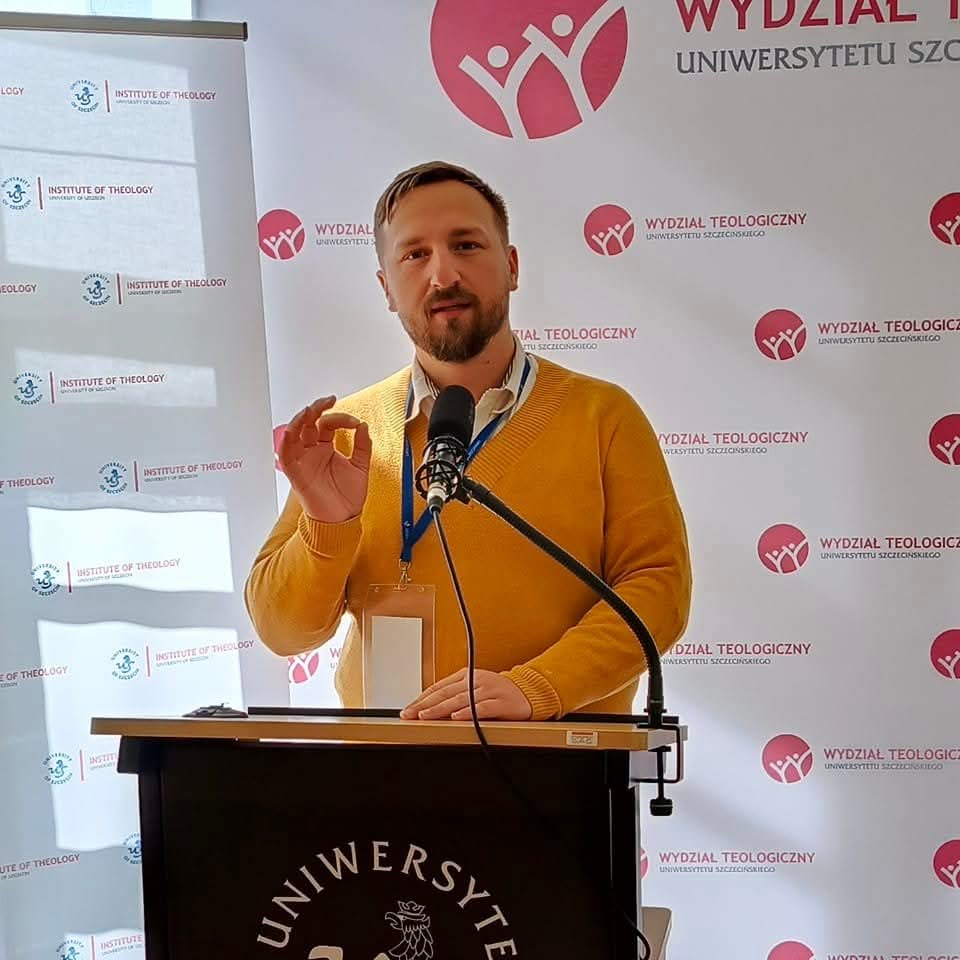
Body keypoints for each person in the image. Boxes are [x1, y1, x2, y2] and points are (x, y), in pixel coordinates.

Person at [245, 161, 691, 722]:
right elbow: (281, 631)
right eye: (415, 255)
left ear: (512, 266)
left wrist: (538, 688)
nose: (443, 274)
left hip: (557, 760)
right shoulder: (347, 433)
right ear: (386, 289)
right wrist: (327, 527)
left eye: (466, 245)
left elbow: (658, 589)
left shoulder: (603, 416)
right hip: (385, 760)